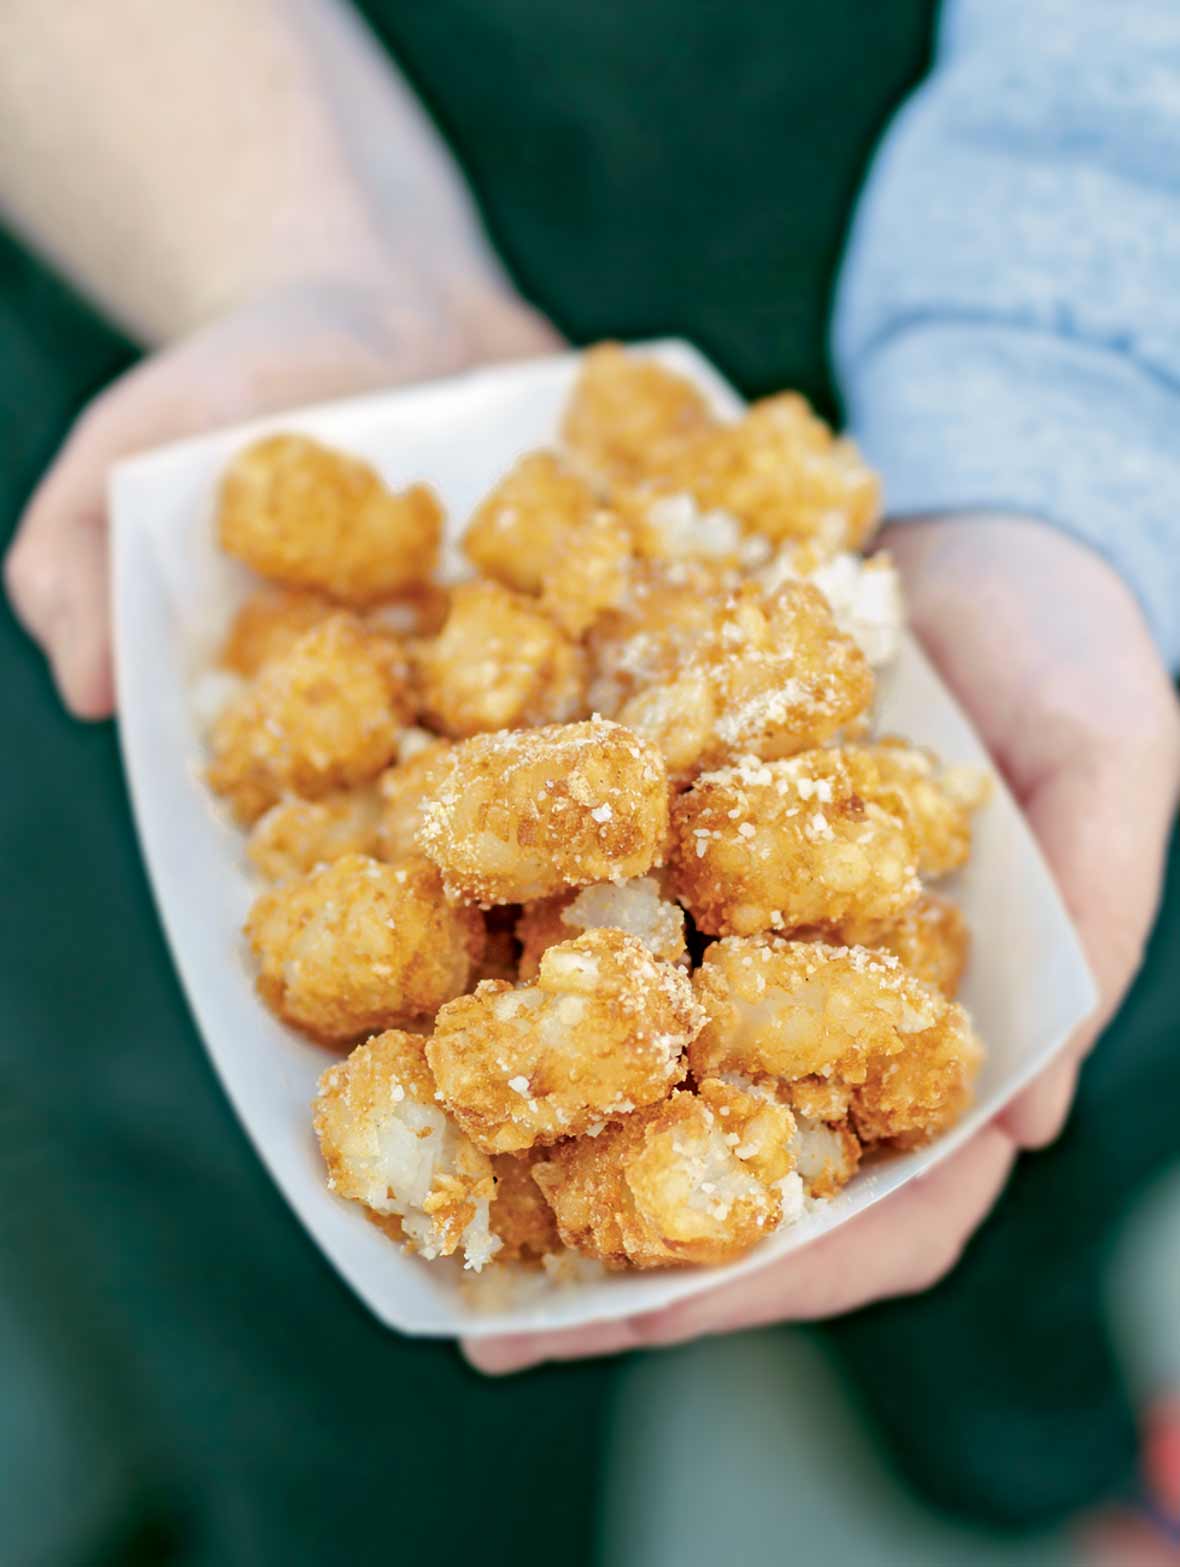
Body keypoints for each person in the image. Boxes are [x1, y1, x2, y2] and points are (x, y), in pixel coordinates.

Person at [1, 0, 1177, 1557]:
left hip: (912, 272)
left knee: (1046, 1164)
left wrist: (1059, 412)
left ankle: (1032, 1457)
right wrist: (299, 245)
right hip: (183, 185)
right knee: (308, 1332)